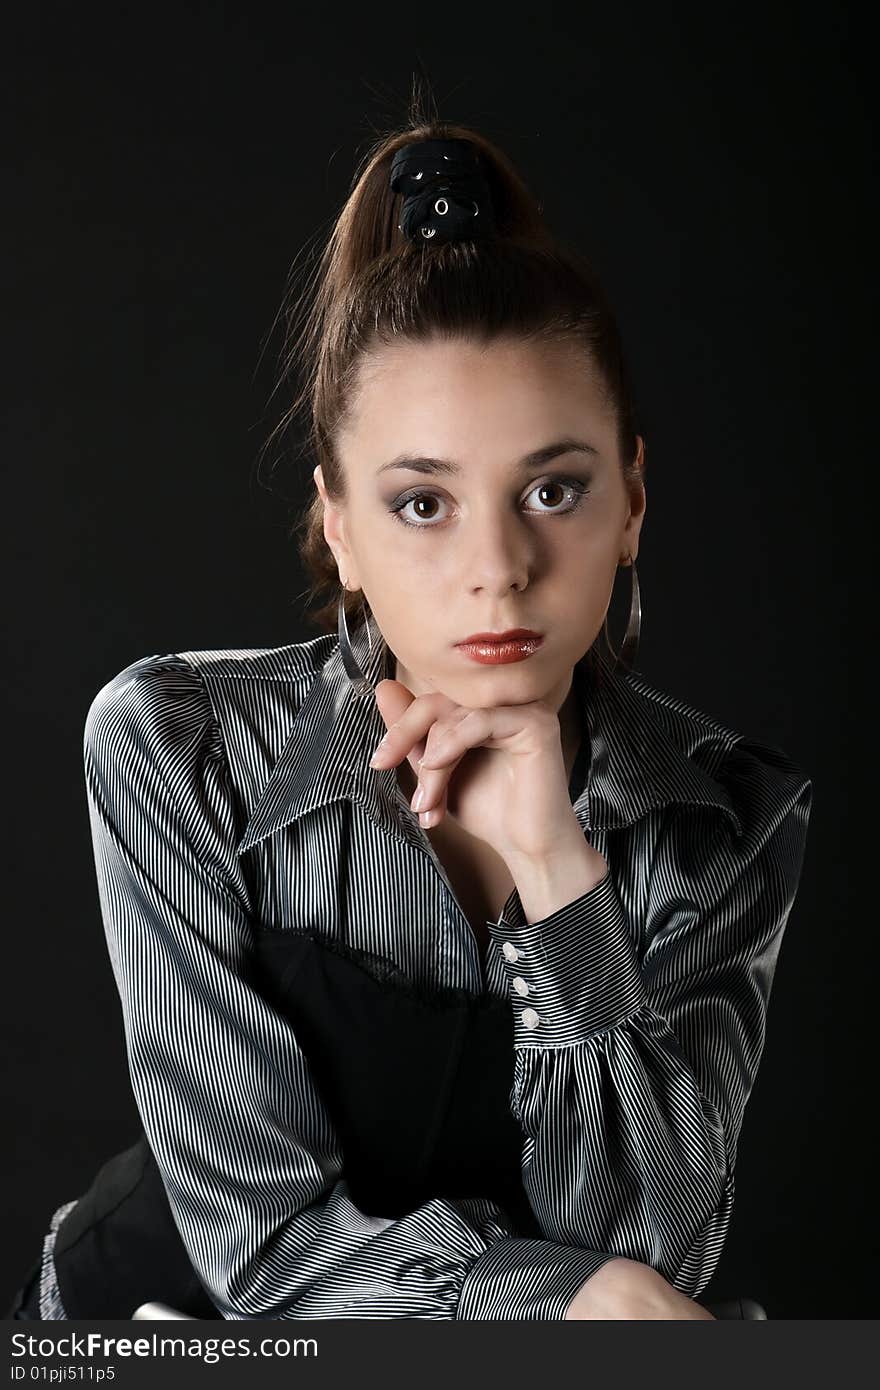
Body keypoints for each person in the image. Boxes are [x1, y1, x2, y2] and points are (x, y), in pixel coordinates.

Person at [8, 106, 812, 1322]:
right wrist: (560, 1303)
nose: (498, 566)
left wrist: (555, 865)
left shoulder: (726, 817)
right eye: (423, 504)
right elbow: (265, 1246)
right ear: (339, 526)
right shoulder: (178, 749)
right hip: (165, 1333)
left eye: (551, 489)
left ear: (633, 500)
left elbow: (650, 1251)